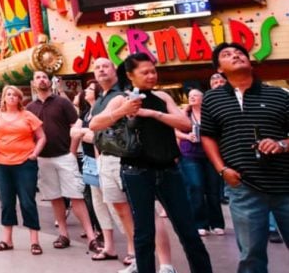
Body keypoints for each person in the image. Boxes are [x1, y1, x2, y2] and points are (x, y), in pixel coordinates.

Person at [92, 53, 212, 273]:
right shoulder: (122, 98)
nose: (150, 76)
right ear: (130, 75)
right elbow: (95, 124)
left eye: (153, 71)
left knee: (187, 230)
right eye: (144, 72)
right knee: (144, 233)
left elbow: (185, 124)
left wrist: (154, 113)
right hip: (136, 171)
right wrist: (123, 111)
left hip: (169, 169)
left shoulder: (162, 97)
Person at [201, 41, 289, 272]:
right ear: (219, 69)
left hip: (284, 183)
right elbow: (208, 136)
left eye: (240, 53)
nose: (236, 56)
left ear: (250, 62)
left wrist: (281, 144)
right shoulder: (212, 99)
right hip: (242, 185)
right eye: (227, 54)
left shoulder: (278, 95)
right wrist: (222, 170)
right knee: (251, 256)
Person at [26, 70, 97, 251]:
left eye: (44, 77)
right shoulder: (30, 108)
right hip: (43, 159)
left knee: (76, 196)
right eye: (38, 77)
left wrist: (72, 152)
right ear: (33, 83)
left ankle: (91, 236)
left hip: (65, 155)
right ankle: (63, 234)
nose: (41, 80)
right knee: (55, 197)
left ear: (49, 82)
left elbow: (75, 128)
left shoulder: (63, 102)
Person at [71, 81, 131, 262]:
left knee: (116, 205)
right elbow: (75, 133)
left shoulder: (104, 109)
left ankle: (132, 246)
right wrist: (84, 133)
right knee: (98, 205)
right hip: (90, 162)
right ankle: (109, 246)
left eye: (89, 89)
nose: (85, 91)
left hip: (105, 160)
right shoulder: (87, 112)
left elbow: (99, 136)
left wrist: (85, 133)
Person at [0, 84, 46, 255]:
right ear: (4, 98)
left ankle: (34, 241)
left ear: (19, 98)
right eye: (8, 94)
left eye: (15, 95)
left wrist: (34, 154)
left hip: (25, 163)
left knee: (27, 201)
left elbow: (41, 137)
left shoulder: (28, 115)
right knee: (6, 202)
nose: (11, 97)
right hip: (1, 164)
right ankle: (7, 240)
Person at [177, 89, 225, 236]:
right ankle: (199, 223)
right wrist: (186, 136)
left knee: (213, 189)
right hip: (190, 154)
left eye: (195, 96)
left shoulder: (210, 114)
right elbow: (174, 131)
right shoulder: (184, 114)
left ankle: (217, 223)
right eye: (190, 96)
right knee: (196, 187)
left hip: (209, 153)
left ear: (203, 99)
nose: (192, 98)